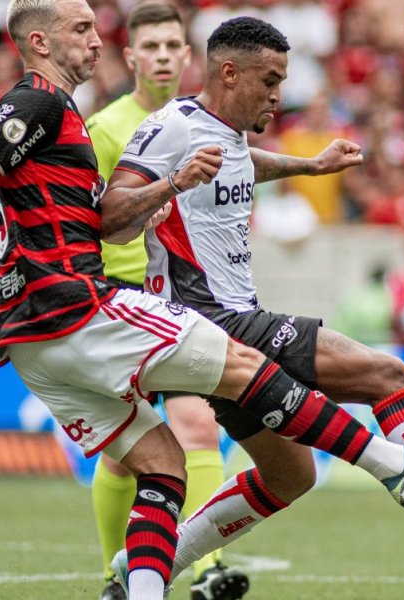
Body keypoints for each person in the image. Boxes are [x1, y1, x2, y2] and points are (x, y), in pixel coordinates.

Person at [0, 3, 404, 600]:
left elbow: (137, 197)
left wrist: (295, 168)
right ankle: (393, 464)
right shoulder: (40, 100)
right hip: (76, 304)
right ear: (39, 41)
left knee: (162, 465)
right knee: (243, 364)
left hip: (30, 340)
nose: (96, 40)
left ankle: (138, 590)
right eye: (82, 28)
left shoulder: (71, 115)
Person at [109, 15, 404, 579]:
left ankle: (146, 569)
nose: (278, 96)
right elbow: (110, 217)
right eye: (270, 80)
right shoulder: (173, 127)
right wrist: (171, 185)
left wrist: (309, 166)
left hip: (226, 325)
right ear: (229, 73)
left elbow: (240, 164)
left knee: (290, 477)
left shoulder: (225, 133)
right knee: (385, 375)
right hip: (209, 320)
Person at [83, 5, 241, 598]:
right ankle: (113, 574)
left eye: (175, 45)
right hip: (122, 298)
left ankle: (207, 569)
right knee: (130, 451)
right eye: (152, 46)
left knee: (198, 424)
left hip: (188, 297)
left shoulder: (211, 122)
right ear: (130, 58)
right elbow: (90, 221)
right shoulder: (104, 129)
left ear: (188, 53)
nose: (165, 56)